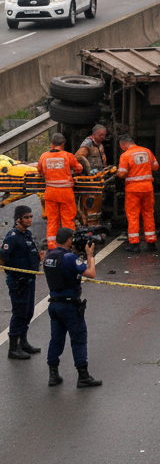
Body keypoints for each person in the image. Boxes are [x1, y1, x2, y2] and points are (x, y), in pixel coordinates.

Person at [42, 226, 100, 388]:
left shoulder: (48, 257)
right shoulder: (68, 258)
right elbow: (91, 273)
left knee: (56, 339)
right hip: (70, 305)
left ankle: (53, 374)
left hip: (54, 305)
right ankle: (83, 376)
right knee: (78, 339)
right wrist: (89, 255)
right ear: (69, 240)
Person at [1, 205, 42, 359]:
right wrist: (12, 273)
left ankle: (23, 342)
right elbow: (2, 257)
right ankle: (13, 348)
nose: (30, 219)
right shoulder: (12, 237)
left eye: (31, 216)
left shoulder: (27, 234)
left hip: (29, 280)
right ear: (18, 219)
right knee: (19, 314)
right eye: (26, 217)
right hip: (18, 282)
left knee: (28, 312)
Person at [36, 133, 82, 248]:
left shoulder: (44, 156)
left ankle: (52, 245)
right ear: (63, 144)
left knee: (52, 220)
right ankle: (69, 244)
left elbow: (40, 171)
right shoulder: (67, 156)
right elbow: (79, 168)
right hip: (65, 193)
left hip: (50, 192)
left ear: (51, 144)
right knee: (68, 219)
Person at [117, 134, 160, 250]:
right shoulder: (147, 151)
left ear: (123, 144)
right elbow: (156, 167)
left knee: (133, 215)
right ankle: (151, 242)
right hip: (148, 188)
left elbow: (122, 174)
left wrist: (117, 171)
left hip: (133, 190)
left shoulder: (125, 155)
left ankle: (134, 244)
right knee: (148, 213)